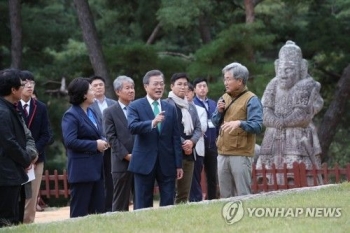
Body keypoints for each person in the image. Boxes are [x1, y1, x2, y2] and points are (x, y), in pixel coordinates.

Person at [256, 41, 324, 185]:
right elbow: (263, 110)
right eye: (281, 70)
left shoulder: (306, 85)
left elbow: (302, 115)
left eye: (289, 70)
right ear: (276, 67)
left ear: (301, 68)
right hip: (273, 134)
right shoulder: (273, 84)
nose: (283, 74)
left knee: (297, 173)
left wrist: (283, 122)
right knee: (268, 174)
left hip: (298, 135)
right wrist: (276, 122)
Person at [128, 70, 183, 210]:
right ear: (146, 86)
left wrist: (178, 164)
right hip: (144, 161)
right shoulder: (135, 106)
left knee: (168, 202)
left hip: (167, 161)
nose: (159, 87)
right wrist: (152, 123)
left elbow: (175, 137)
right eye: (155, 84)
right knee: (142, 203)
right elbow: (132, 127)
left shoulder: (170, 108)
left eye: (161, 84)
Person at [212, 62, 263, 197]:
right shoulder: (224, 97)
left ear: (239, 81)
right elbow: (214, 121)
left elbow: (257, 126)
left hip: (241, 154)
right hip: (222, 152)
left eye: (228, 79)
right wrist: (218, 111)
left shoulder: (251, 100)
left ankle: (246, 217)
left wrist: (240, 123)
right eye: (225, 79)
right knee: (225, 194)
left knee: (243, 194)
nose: (225, 82)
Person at [61, 77, 108, 218]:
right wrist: (95, 145)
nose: (94, 92)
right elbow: (70, 141)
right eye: (91, 90)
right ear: (83, 95)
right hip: (82, 171)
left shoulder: (91, 111)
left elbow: (96, 134)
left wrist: (103, 141)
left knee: (98, 214)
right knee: (79, 214)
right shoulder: (71, 115)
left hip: (96, 168)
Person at [0, 68, 38, 227]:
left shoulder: (10, 107)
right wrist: (26, 159)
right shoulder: (3, 112)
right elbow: (9, 142)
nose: (25, 89)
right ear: (13, 90)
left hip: (13, 171)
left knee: (15, 217)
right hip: (6, 173)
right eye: (21, 86)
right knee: (7, 219)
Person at [18, 70, 51, 223]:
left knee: (32, 194)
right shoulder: (12, 105)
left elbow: (47, 134)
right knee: (15, 194)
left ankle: (28, 224)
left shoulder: (41, 107)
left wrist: (33, 153)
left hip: (36, 158)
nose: (29, 86)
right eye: (25, 82)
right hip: (16, 157)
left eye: (32, 82)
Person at [166, 73, 202, 204]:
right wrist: (184, 143)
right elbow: (168, 129)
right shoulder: (166, 105)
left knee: (184, 192)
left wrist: (191, 142)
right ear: (172, 86)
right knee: (169, 191)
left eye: (185, 84)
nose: (183, 87)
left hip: (189, 152)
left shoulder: (190, 105)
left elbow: (198, 128)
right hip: (172, 152)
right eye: (179, 84)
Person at [103, 75, 135, 211]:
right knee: (121, 201)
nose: (131, 91)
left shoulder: (138, 108)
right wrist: (126, 155)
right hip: (121, 162)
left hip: (140, 159)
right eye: (127, 88)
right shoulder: (109, 112)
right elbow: (111, 137)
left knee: (142, 199)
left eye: (132, 88)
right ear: (118, 91)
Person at [89, 75, 116, 212]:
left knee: (111, 177)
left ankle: (110, 206)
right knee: (99, 178)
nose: (99, 87)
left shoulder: (113, 103)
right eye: (95, 85)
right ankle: (99, 207)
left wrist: (112, 140)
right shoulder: (88, 105)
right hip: (98, 146)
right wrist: (104, 140)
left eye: (101, 84)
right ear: (90, 89)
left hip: (113, 147)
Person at [192, 77, 219, 200]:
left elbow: (218, 122)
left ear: (207, 88)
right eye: (199, 86)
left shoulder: (213, 104)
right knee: (196, 173)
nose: (202, 88)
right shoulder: (192, 104)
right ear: (194, 89)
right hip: (199, 144)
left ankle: (212, 198)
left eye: (204, 86)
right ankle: (196, 198)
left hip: (213, 144)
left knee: (212, 175)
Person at [187, 83, 208, 202]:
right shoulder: (176, 108)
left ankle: (197, 200)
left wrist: (190, 139)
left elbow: (203, 127)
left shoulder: (200, 110)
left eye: (189, 91)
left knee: (195, 177)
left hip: (197, 147)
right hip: (182, 147)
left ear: (192, 93)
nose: (186, 94)